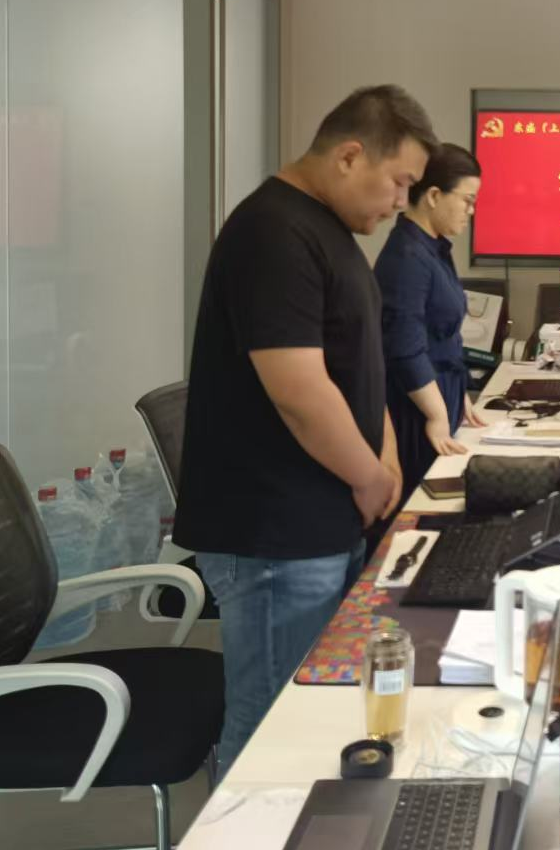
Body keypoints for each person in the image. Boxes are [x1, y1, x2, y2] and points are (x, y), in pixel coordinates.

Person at [173, 84, 436, 772]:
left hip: (320, 520)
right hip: (273, 535)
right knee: (269, 726)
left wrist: (384, 455)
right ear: (350, 156)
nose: (401, 201)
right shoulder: (273, 233)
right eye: (399, 180)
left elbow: (358, 366)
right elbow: (299, 391)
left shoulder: (330, 233)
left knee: (306, 715)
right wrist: (370, 474)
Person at [375, 142, 487, 499]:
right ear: (434, 196)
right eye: (467, 200)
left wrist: (460, 392)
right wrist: (437, 414)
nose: (471, 211)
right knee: (426, 504)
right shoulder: (407, 257)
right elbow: (404, 349)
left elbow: (443, 335)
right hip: (417, 409)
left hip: (439, 396)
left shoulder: (434, 247)